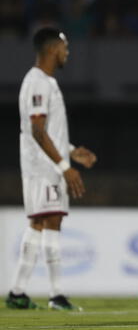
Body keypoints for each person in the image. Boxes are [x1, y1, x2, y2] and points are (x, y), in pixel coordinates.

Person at [6, 27, 97, 310]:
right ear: (51, 49)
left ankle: (17, 292)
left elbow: (48, 131)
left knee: (39, 223)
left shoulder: (47, 82)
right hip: (43, 168)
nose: (67, 51)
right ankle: (57, 295)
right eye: (64, 46)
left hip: (44, 165)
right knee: (53, 220)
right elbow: (36, 129)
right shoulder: (38, 82)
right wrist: (63, 166)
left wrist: (71, 152)